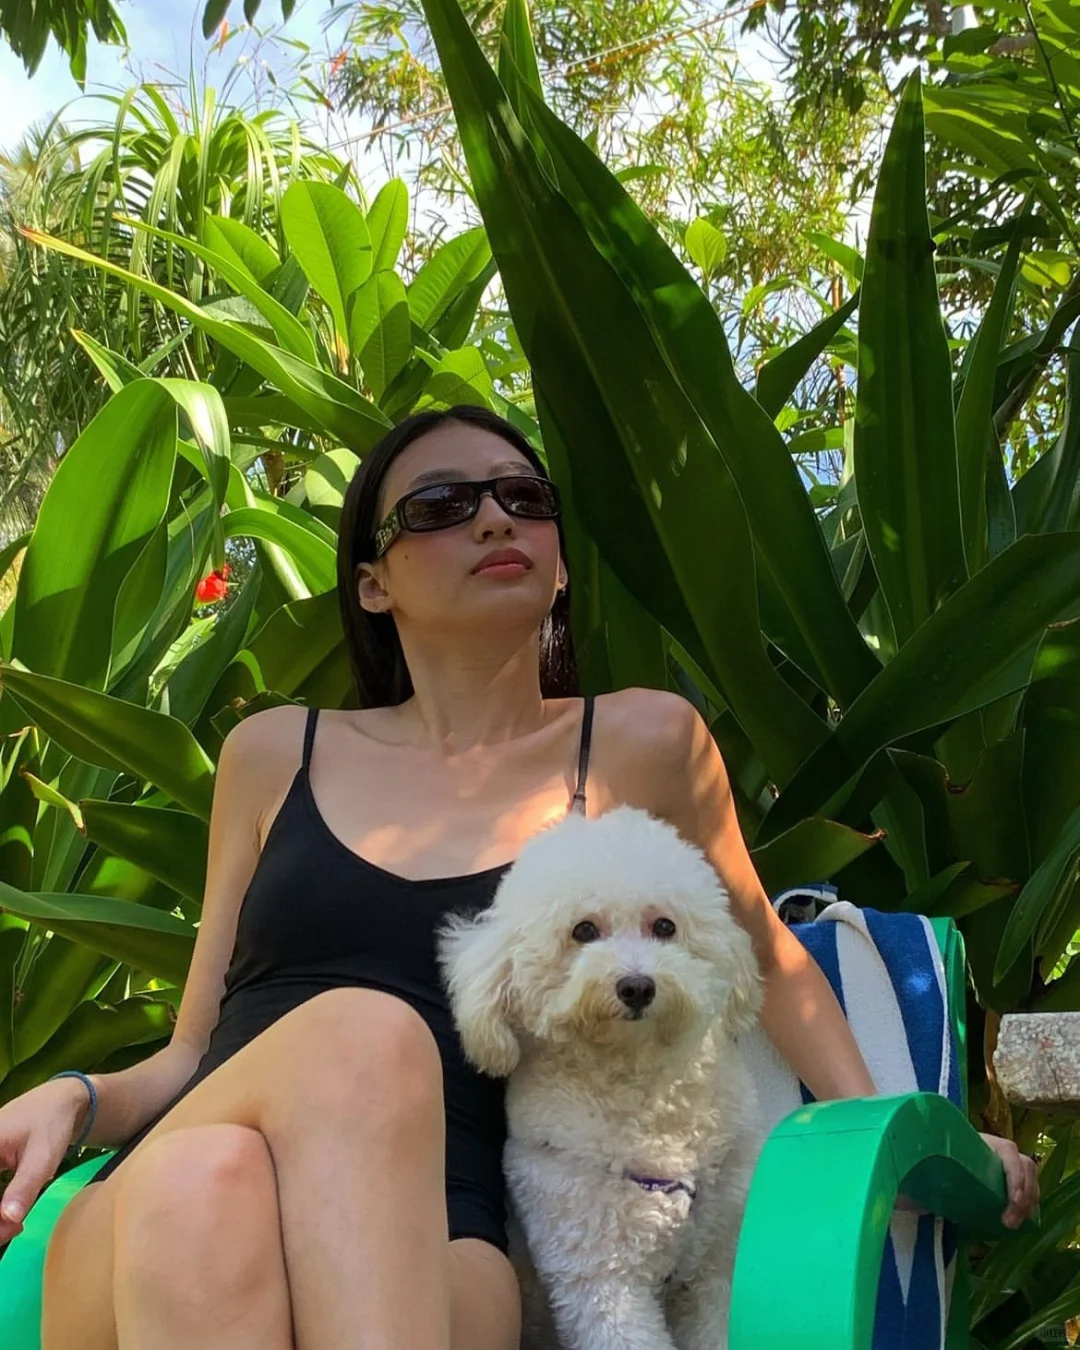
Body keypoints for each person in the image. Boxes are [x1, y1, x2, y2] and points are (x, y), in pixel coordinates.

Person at [0, 405, 1038, 1350]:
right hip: (149, 1218)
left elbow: (763, 952)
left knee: (219, 1178)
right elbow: (193, 1049)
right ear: (372, 583)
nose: (495, 517)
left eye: (524, 498)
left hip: (438, 1241)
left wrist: (908, 1133)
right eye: (441, 505)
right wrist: (79, 1095)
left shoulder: (642, 743)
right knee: (245, 1139)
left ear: (560, 564)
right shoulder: (276, 753)